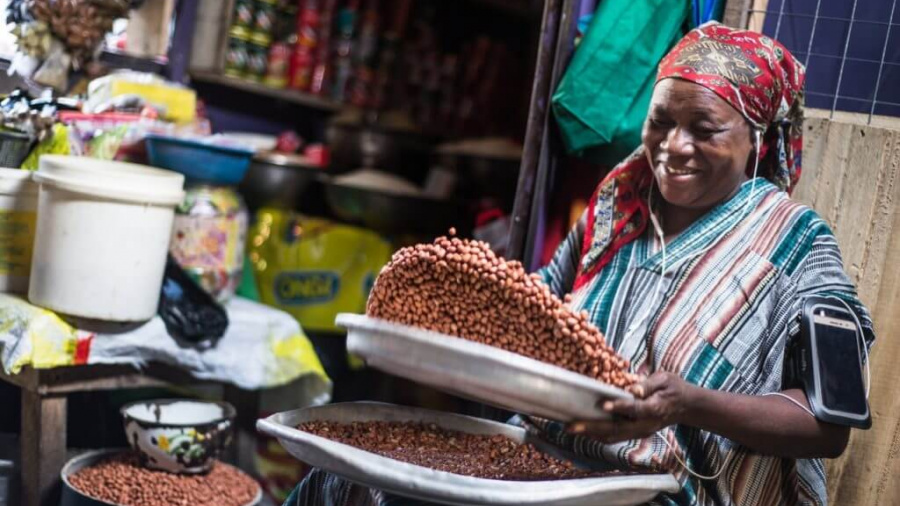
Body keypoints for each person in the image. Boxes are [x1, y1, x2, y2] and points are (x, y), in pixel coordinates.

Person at [284, 22, 875, 506]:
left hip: (665, 494)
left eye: (705, 129)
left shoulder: (793, 243)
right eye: (662, 121)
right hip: (544, 465)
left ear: (757, 138)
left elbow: (830, 426)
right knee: (346, 482)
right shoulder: (618, 208)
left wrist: (688, 403)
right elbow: (534, 318)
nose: (674, 147)